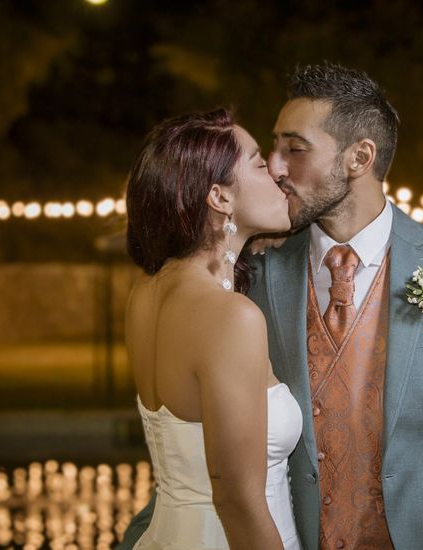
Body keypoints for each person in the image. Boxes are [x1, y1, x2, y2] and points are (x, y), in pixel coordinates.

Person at [120, 63, 423, 550]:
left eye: (295, 148)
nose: (276, 166)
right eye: (271, 148)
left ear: (359, 157)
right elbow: (205, 449)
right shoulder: (252, 275)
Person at [123, 108, 301, 549]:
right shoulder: (231, 317)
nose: (277, 175)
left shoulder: (145, 296)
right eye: (260, 164)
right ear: (220, 198)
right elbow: (237, 500)